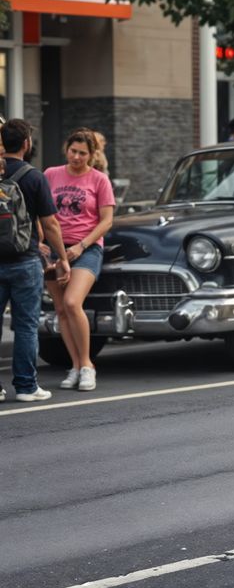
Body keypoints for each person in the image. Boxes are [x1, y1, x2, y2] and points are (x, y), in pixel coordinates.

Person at [0, 119, 69, 402]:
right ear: (27, 144)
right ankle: (27, 387)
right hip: (25, 260)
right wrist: (62, 257)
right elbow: (50, 224)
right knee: (26, 325)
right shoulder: (34, 177)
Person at [44, 129, 114, 392]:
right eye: (73, 151)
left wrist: (82, 245)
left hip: (87, 249)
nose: (76, 157)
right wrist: (43, 244)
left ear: (92, 154)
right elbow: (41, 213)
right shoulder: (50, 174)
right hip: (54, 250)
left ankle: (87, 366)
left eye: (82, 153)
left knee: (73, 303)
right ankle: (74, 365)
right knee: (61, 310)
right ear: (66, 149)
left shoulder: (99, 180)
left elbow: (107, 221)